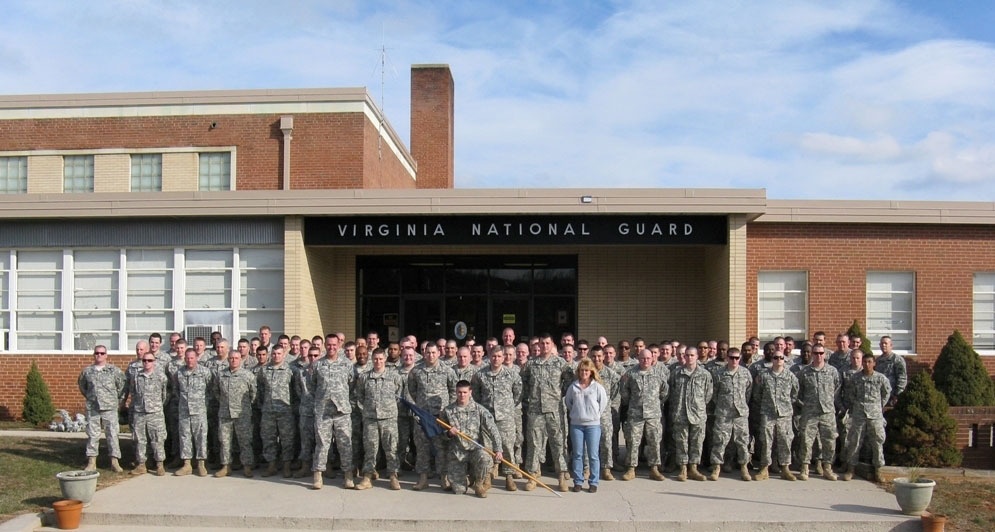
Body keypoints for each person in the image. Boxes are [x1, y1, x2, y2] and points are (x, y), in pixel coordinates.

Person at [520, 333, 570, 492]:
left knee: (557, 443)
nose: (544, 346)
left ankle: (561, 475)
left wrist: (558, 396)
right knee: (534, 444)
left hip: (554, 410)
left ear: (552, 344)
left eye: (547, 343)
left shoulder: (560, 363)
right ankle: (532, 476)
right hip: (535, 410)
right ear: (538, 345)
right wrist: (530, 398)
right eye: (542, 343)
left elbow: (569, 383)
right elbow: (523, 383)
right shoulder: (531, 364)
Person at [471, 346, 523, 491]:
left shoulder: (511, 375)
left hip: (505, 417)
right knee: (487, 448)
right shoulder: (480, 375)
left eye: (500, 356)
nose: (496, 359)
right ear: (489, 356)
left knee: (507, 446)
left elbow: (518, 394)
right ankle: (487, 476)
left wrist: (508, 408)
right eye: (494, 356)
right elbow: (475, 395)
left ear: (504, 357)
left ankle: (509, 476)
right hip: (487, 418)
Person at [407, 344, 457, 491]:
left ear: (438, 352)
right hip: (423, 415)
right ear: (424, 353)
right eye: (428, 352)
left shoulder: (447, 371)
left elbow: (453, 390)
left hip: (440, 416)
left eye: (433, 352)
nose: (431, 355)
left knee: (441, 447)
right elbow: (412, 390)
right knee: (422, 447)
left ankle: (444, 477)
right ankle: (423, 478)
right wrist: (421, 405)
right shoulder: (416, 371)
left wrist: (447, 410)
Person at [440, 380, 503, 498]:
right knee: (459, 490)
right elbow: (441, 434)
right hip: (457, 453)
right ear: (456, 392)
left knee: (485, 459)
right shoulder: (447, 411)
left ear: (470, 392)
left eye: (464, 392)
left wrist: (498, 449)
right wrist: (449, 433)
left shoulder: (479, 409)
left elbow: (493, 430)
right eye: (459, 392)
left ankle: (479, 484)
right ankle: (467, 479)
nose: (462, 395)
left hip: (475, 449)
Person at [355, 348, 406, 490]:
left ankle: (393, 476)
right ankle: (367, 476)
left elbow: (399, 396)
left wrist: (389, 409)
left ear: (385, 359)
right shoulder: (365, 377)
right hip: (370, 419)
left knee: (391, 448)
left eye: (380, 359)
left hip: (389, 418)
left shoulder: (394, 376)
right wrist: (365, 411)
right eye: (375, 359)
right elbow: (359, 396)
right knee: (370, 448)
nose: (378, 362)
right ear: (372, 360)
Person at [310, 334, 355, 490]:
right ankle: (318, 474)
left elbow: (352, 384)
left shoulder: (347, 364)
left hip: (342, 410)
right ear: (324, 345)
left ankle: (348, 475)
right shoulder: (317, 365)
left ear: (339, 346)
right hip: (323, 411)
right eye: (328, 345)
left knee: (345, 443)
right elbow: (312, 385)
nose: (331, 347)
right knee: (322, 444)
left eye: (334, 345)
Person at [619, 348, 669, 482]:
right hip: (635, 414)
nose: (645, 361)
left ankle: (654, 469)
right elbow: (624, 393)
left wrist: (654, 404)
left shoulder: (659, 374)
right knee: (633, 442)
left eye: (648, 358)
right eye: (642, 358)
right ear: (638, 358)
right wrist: (634, 404)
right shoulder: (630, 374)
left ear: (652, 359)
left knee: (654, 441)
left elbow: (664, 392)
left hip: (653, 414)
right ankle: (631, 468)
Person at [841, 352, 891, 482]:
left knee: (877, 441)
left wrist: (878, 406)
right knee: (855, 441)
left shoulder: (881, 378)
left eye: (869, 362)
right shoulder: (856, 378)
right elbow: (850, 394)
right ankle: (851, 469)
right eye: (865, 362)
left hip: (875, 415)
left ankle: (878, 470)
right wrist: (856, 406)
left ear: (874, 363)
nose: (867, 364)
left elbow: (886, 394)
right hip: (859, 413)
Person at [78, 345, 126, 472]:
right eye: (97, 353)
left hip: (110, 407)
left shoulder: (114, 371)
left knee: (112, 434)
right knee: (93, 435)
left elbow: (122, 388)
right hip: (93, 408)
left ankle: (114, 461)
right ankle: (92, 462)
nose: (99, 355)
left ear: (106, 355)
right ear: (94, 354)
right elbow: (83, 387)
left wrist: (117, 402)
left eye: (102, 353)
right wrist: (91, 398)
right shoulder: (87, 371)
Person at [752, 349, 799, 481]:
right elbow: (757, 394)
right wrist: (766, 406)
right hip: (767, 413)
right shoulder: (763, 375)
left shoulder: (790, 376)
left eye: (781, 358)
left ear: (784, 360)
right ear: (772, 359)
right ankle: (764, 468)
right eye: (776, 357)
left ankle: (785, 468)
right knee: (766, 441)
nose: (778, 360)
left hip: (784, 414)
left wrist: (786, 406)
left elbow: (795, 394)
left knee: (785, 441)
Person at [707, 347, 753, 482]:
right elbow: (713, 394)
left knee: (743, 442)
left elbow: (748, 392)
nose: (734, 360)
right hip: (723, 413)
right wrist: (723, 405)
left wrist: (740, 404)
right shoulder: (719, 374)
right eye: (731, 357)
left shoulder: (745, 373)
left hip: (740, 414)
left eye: (737, 358)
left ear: (739, 359)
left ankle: (744, 467)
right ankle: (716, 467)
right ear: (727, 358)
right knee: (719, 441)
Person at [797, 344, 841, 481]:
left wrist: (829, 402)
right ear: (812, 355)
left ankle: (827, 467)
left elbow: (837, 389)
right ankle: (805, 467)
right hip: (809, 412)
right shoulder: (804, 372)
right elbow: (799, 391)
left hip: (827, 412)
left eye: (821, 353)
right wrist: (805, 405)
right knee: (806, 440)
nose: (819, 356)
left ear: (825, 354)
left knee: (829, 440)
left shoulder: (832, 371)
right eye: (816, 353)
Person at [564, 358, 609, 493]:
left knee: (593, 454)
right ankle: (578, 481)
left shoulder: (597, 387)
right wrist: (577, 414)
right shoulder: (573, 386)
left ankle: (593, 482)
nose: (584, 372)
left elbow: (603, 403)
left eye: (587, 370)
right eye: (582, 370)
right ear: (578, 372)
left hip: (592, 425)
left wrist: (594, 415)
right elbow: (568, 402)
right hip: (577, 425)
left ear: (591, 372)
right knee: (578, 454)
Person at [670, 346, 713, 481]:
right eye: (687, 355)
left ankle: (693, 468)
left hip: (698, 414)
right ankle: (683, 468)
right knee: (681, 442)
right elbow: (671, 392)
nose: (689, 358)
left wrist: (697, 406)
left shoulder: (705, 374)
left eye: (692, 355)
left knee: (697, 442)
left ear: (697, 357)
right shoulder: (676, 373)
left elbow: (708, 394)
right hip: (680, 413)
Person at [214, 348, 257, 478]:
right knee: (225, 441)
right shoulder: (221, 375)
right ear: (228, 359)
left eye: (236, 358)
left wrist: (245, 406)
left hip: (242, 413)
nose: (233, 360)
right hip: (225, 413)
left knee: (245, 441)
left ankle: (247, 466)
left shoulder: (248, 375)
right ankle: (226, 466)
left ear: (240, 360)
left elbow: (253, 394)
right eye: (231, 358)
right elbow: (216, 392)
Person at [257, 346, 296, 478]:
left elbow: (296, 390)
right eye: (274, 353)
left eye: (279, 354)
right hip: (268, 411)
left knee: (287, 439)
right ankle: (271, 465)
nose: (276, 356)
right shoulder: (264, 371)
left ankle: (286, 466)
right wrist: (263, 405)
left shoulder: (291, 370)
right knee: (268, 438)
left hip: (285, 411)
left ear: (283, 355)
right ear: (270, 355)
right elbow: (260, 390)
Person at [174, 347, 213, 476]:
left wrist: (204, 404)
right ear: (184, 359)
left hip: (200, 410)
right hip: (184, 411)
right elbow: (176, 390)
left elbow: (211, 390)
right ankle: (187, 464)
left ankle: (201, 463)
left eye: (192, 358)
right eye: (187, 358)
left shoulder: (205, 372)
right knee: (185, 437)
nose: (190, 360)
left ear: (196, 358)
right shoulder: (179, 373)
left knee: (201, 437)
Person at [128, 351, 168, 476]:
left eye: (149, 360)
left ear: (154, 362)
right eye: (144, 360)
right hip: (139, 412)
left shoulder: (161, 377)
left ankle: (159, 464)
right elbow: (133, 393)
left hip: (155, 413)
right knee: (140, 439)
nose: (146, 363)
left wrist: (156, 406)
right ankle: (141, 464)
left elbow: (164, 395)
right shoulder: (136, 376)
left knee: (158, 439)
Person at [874, 336, 907, 407]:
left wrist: (898, 395)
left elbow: (902, 378)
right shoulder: (878, 360)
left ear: (891, 345)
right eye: (882, 343)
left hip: (892, 396)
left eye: (886, 343)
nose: (883, 345)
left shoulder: (897, 360)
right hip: (880, 396)